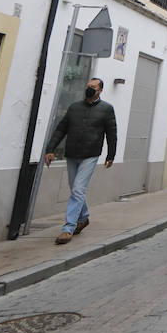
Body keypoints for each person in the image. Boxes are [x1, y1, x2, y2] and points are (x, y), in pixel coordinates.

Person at [44, 76, 117, 245]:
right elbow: (61, 129)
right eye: (88, 86)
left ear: (100, 90)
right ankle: (83, 218)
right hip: (72, 154)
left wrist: (110, 155)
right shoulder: (74, 107)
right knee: (75, 189)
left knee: (77, 189)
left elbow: (112, 133)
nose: (89, 89)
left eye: (93, 87)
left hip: (90, 155)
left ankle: (68, 228)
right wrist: (50, 149)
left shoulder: (107, 109)